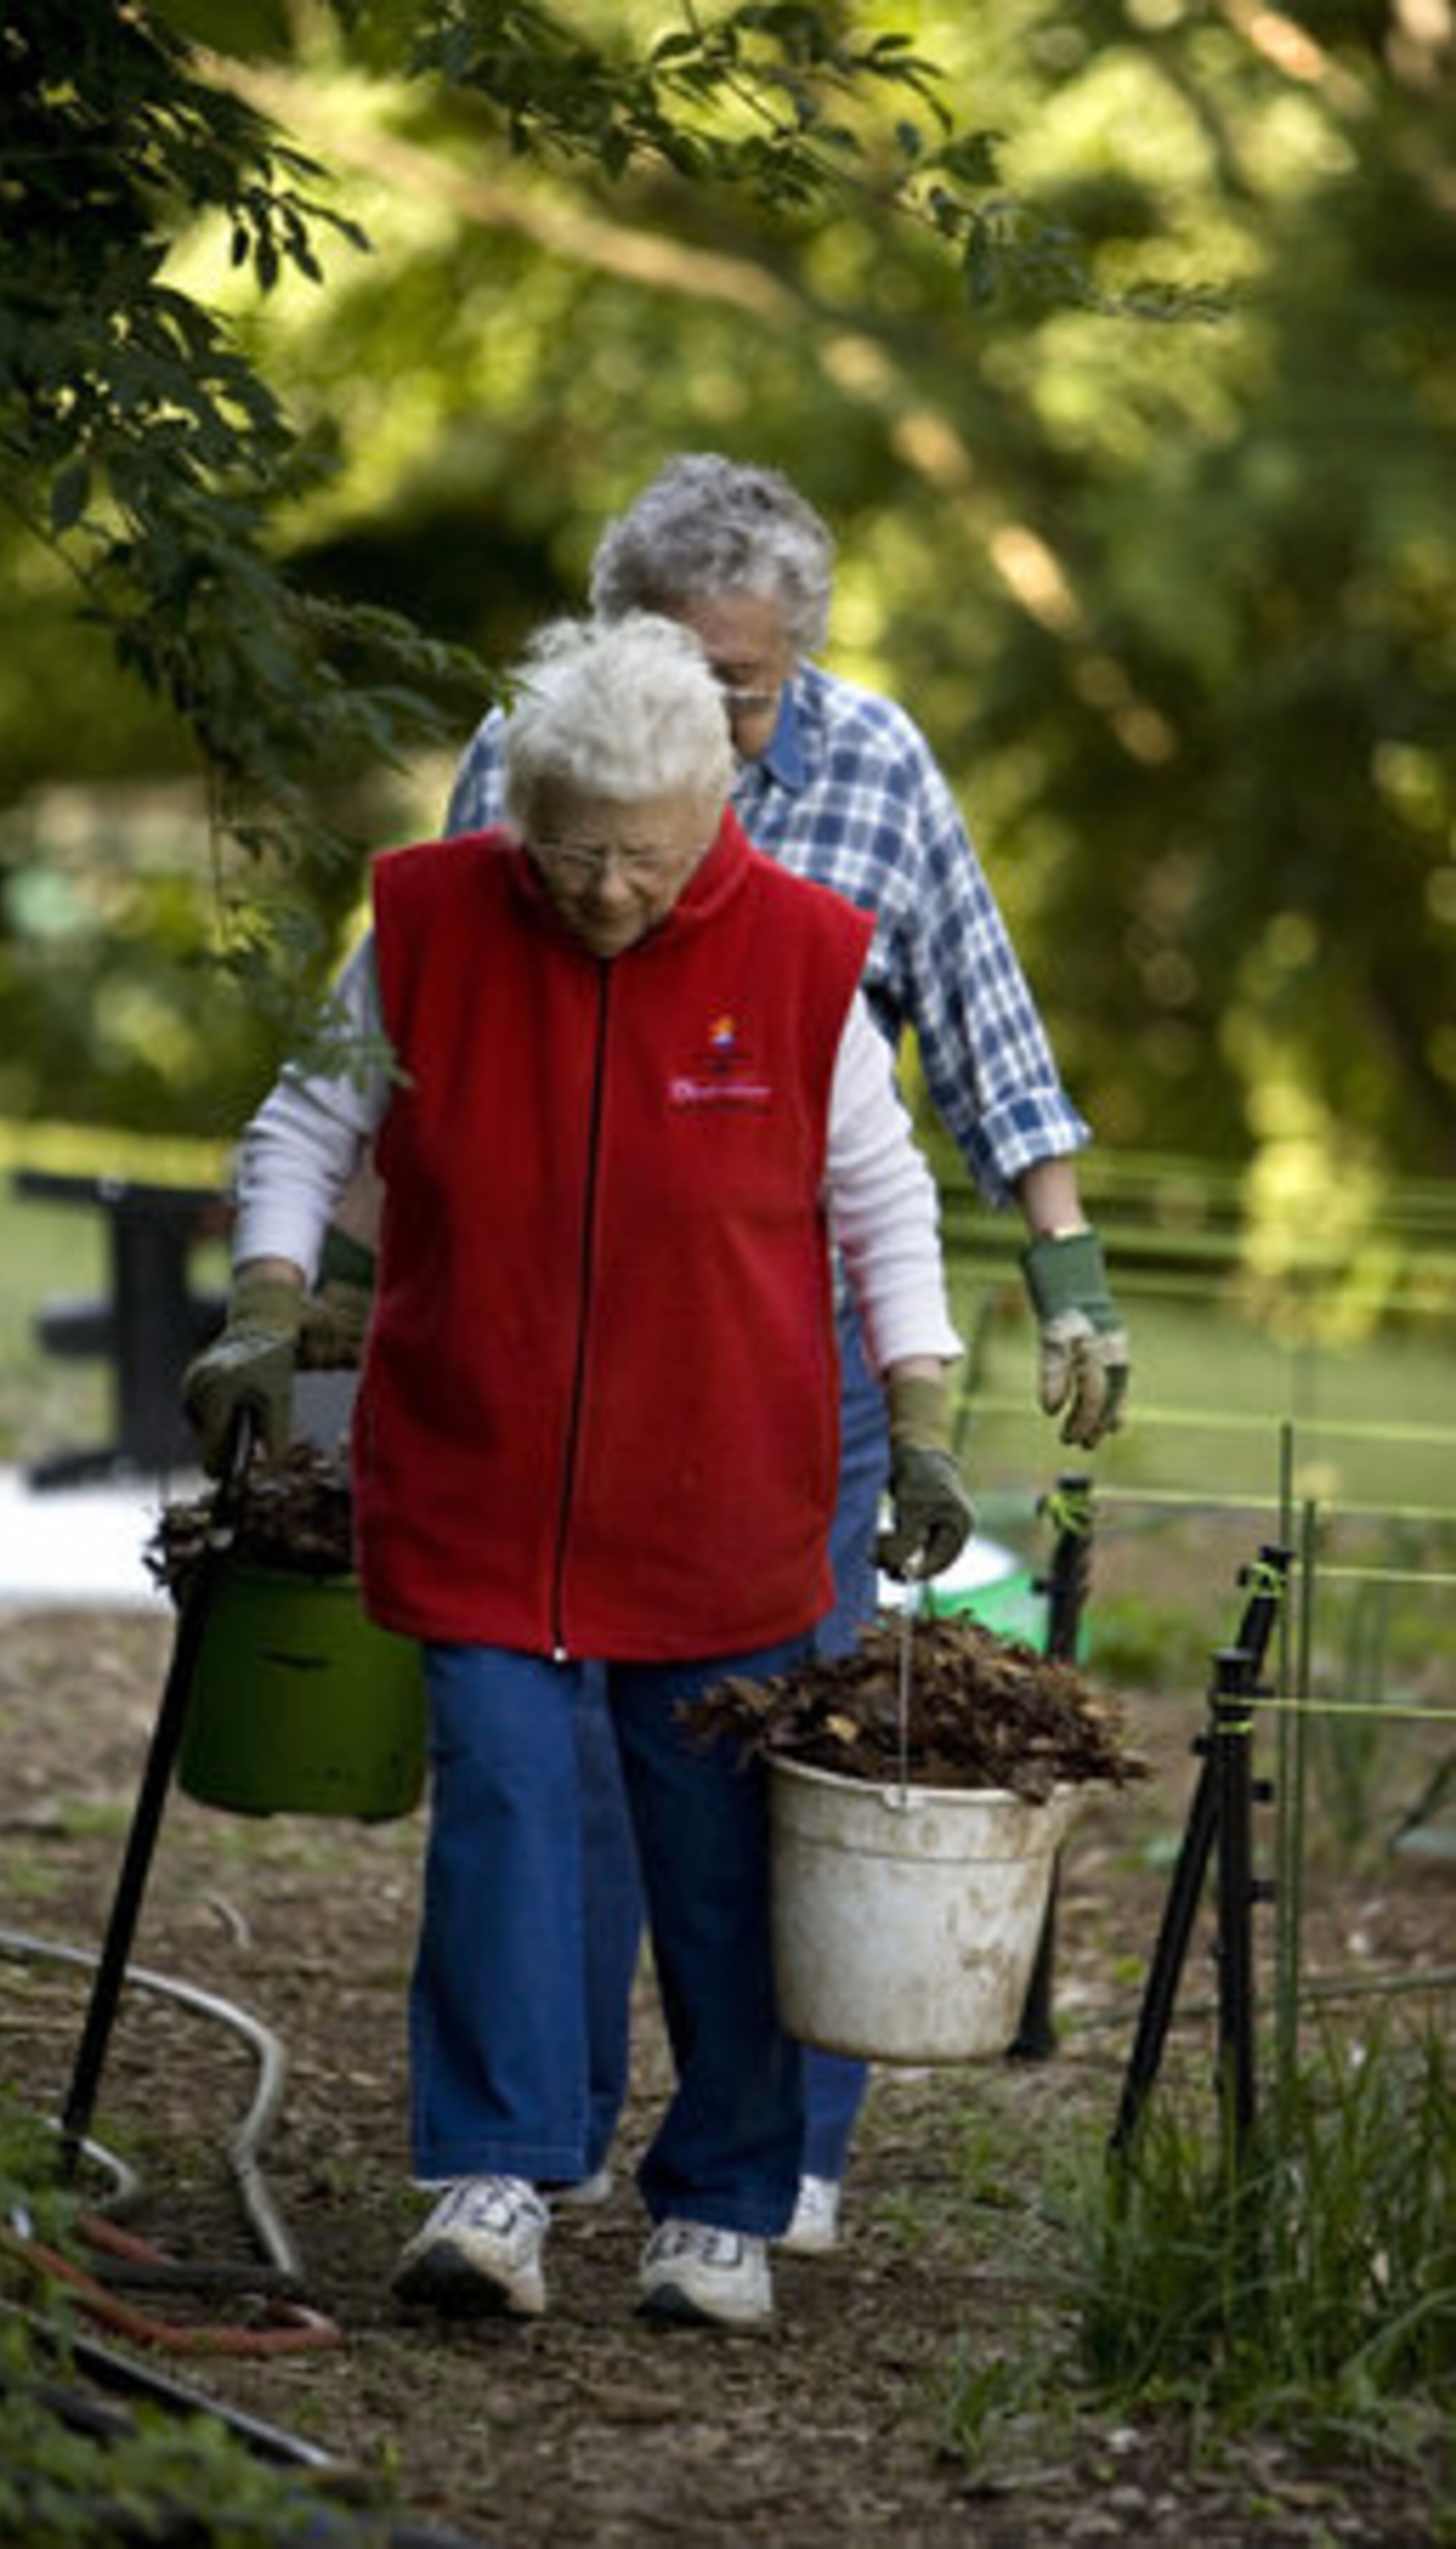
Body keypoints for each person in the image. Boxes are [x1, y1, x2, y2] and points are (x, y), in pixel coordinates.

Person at [184, 612, 972, 2331]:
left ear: (713, 815)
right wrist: (264, 1301)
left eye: (640, 859)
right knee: (505, 1823)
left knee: (721, 1871)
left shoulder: (807, 956)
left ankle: (723, 2210)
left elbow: (886, 1209)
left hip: (725, 1505)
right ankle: (497, 2175)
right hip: (481, 1485)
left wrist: (918, 1417)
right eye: (567, 852)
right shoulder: (431, 923)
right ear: (515, 811)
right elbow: (308, 1125)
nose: (603, 893)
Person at [424, 455, 1132, 2258]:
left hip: (782, 1342)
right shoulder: (535, 759)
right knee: (555, 1758)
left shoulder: (879, 768)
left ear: (797, 665)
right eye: (674, 662)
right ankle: (541, 2143)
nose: (706, 712)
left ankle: (779, 2159)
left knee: (771, 1741)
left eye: (742, 683)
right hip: (562, 1342)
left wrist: (1070, 1274)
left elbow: (983, 1028)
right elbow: (432, 1029)